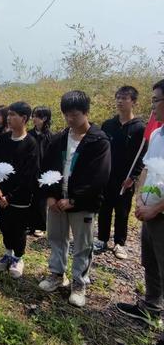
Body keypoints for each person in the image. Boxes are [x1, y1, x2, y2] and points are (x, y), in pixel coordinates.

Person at [39, 90, 111, 307]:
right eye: (66, 115)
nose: (70, 119)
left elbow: (99, 176)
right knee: (56, 238)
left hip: (82, 204)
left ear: (86, 112)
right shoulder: (59, 139)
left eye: (75, 114)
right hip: (57, 200)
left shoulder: (98, 141)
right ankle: (56, 274)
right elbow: (47, 167)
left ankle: (79, 283)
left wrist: (75, 200)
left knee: (83, 244)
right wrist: (50, 195)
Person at [116, 79, 164, 345]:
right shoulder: (157, 134)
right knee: (152, 262)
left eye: (156, 100)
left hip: (160, 211)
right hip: (149, 211)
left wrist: (157, 207)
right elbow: (147, 168)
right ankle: (151, 306)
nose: (153, 105)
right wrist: (140, 200)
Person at [96, 86, 146, 260]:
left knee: (122, 211)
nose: (120, 101)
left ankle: (119, 243)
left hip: (126, 178)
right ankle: (102, 239)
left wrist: (133, 177)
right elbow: (101, 151)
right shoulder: (108, 125)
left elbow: (142, 155)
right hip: (107, 175)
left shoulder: (140, 128)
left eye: (124, 98)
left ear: (133, 102)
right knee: (104, 208)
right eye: (118, 97)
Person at [0, 102, 38, 279]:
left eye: (13, 115)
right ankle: (7, 253)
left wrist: (10, 196)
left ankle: (18, 258)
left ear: (24, 118)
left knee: (18, 229)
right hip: (2, 194)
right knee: (5, 225)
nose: (8, 119)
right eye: (8, 115)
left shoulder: (31, 143)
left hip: (20, 196)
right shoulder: (4, 140)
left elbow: (29, 175)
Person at [28, 106, 53, 237]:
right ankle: (29, 224)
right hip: (31, 171)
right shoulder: (29, 134)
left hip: (44, 173)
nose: (33, 119)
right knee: (30, 198)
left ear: (44, 118)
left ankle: (40, 226)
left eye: (36, 116)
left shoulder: (50, 137)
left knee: (41, 200)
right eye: (33, 115)